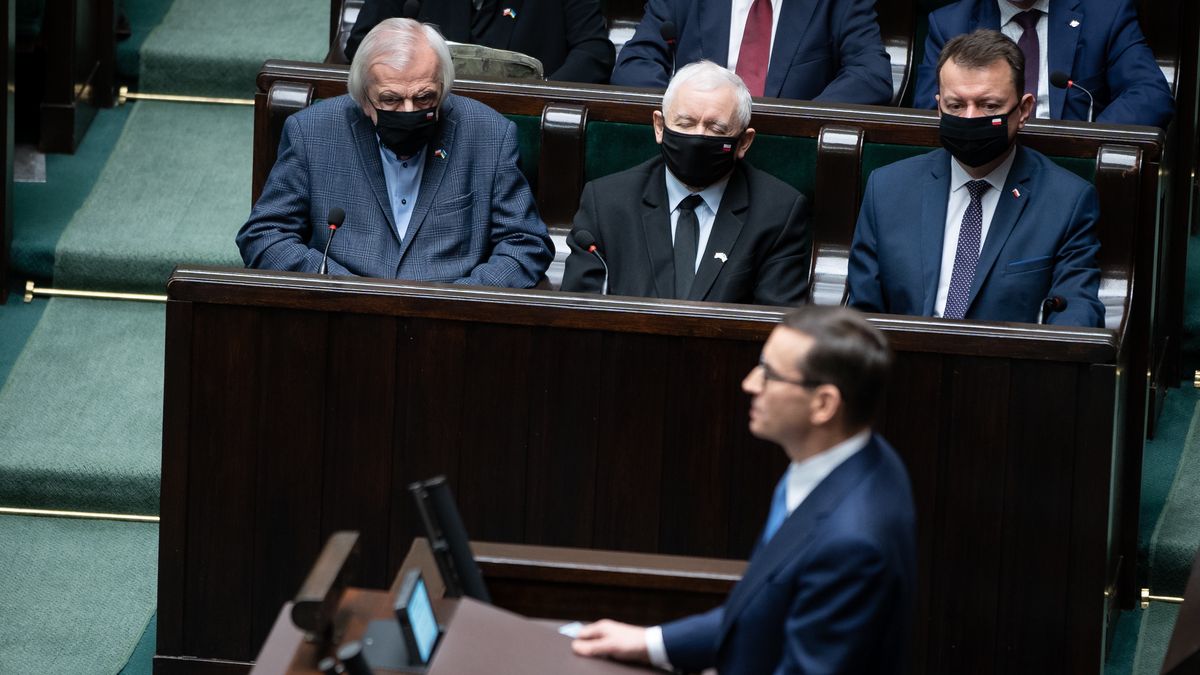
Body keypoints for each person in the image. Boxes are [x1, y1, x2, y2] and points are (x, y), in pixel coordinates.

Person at [572, 305, 916, 674]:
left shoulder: (852, 543)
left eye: (769, 374)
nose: (750, 383)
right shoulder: (858, 458)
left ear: (824, 404)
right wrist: (652, 643)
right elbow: (762, 609)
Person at [237, 18, 553, 288]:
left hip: (451, 320)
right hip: (342, 314)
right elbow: (265, 235)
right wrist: (343, 288)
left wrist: (457, 301)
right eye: (391, 100)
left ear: (443, 89)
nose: (409, 111)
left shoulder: (489, 134)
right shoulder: (313, 132)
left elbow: (526, 244)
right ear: (363, 99)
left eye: (424, 98)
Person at [848, 29, 1104, 327]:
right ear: (939, 107)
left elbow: (1076, 311)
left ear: (1024, 110)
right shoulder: (887, 189)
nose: (970, 119)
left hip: (1008, 355)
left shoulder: (1067, 201)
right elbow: (861, 314)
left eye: (989, 106)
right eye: (956, 106)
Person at [560, 61, 810, 305]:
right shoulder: (606, 202)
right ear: (659, 127)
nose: (698, 138)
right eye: (686, 124)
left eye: (716, 129)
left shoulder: (778, 213)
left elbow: (780, 323)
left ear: (744, 142)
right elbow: (578, 311)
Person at [913, 0, 1173, 128]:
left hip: (1070, 168)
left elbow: (1150, 95)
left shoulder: (1105, 14)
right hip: (984, 164)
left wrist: (1087, 142)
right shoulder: (950, 23)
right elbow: (928, 113)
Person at [610, 0, 892, 104]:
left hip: (786, 156)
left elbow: (871, 76)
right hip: (698, 148)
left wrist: (797, 121)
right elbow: (634, 65)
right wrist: (687, 110)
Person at [343, 0, 615, 84]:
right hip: (426, 114)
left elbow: (594, 53)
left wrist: (539, 94)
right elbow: (364, 41)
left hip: (522, 122)